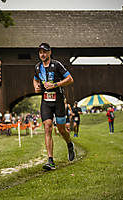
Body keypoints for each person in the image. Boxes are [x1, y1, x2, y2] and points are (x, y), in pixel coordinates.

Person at [33, 42, 75, 170]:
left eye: (45, 52)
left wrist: (55, 85)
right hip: (46, 101)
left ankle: (69, 144)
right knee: (47, 127)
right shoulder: (37, 67)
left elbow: (70, 79)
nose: (43, 54)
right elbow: (35, 78)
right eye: (40, 52)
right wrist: (35, 86)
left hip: (58, 100)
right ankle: (50, 160)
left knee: (61, 129)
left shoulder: (57, 65)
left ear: (50, 52)